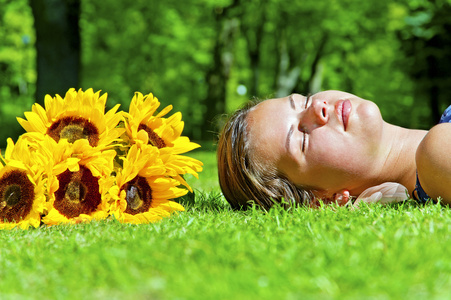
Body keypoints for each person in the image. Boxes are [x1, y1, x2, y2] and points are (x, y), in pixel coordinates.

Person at [217, 90, 451, 210]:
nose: (318, 108)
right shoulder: (437, 153)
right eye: (302, 138)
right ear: (321, 200)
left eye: (305, 101)